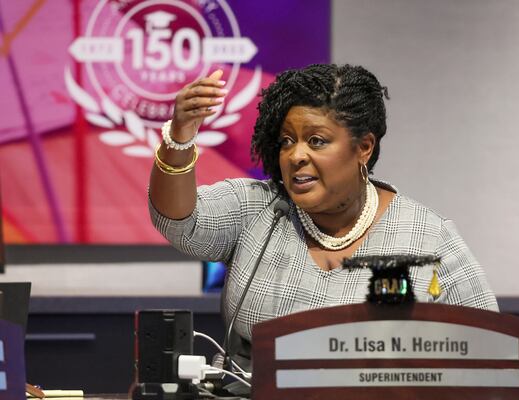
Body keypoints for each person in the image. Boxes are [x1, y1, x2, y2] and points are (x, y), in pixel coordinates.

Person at [148, 64, 498, 370]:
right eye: (286, 141)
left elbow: (492, 351)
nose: (296, 155)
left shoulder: (426, 238)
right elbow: (179, 220)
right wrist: (179, 137)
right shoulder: (260, 208)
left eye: (316, 141)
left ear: (364, 147)